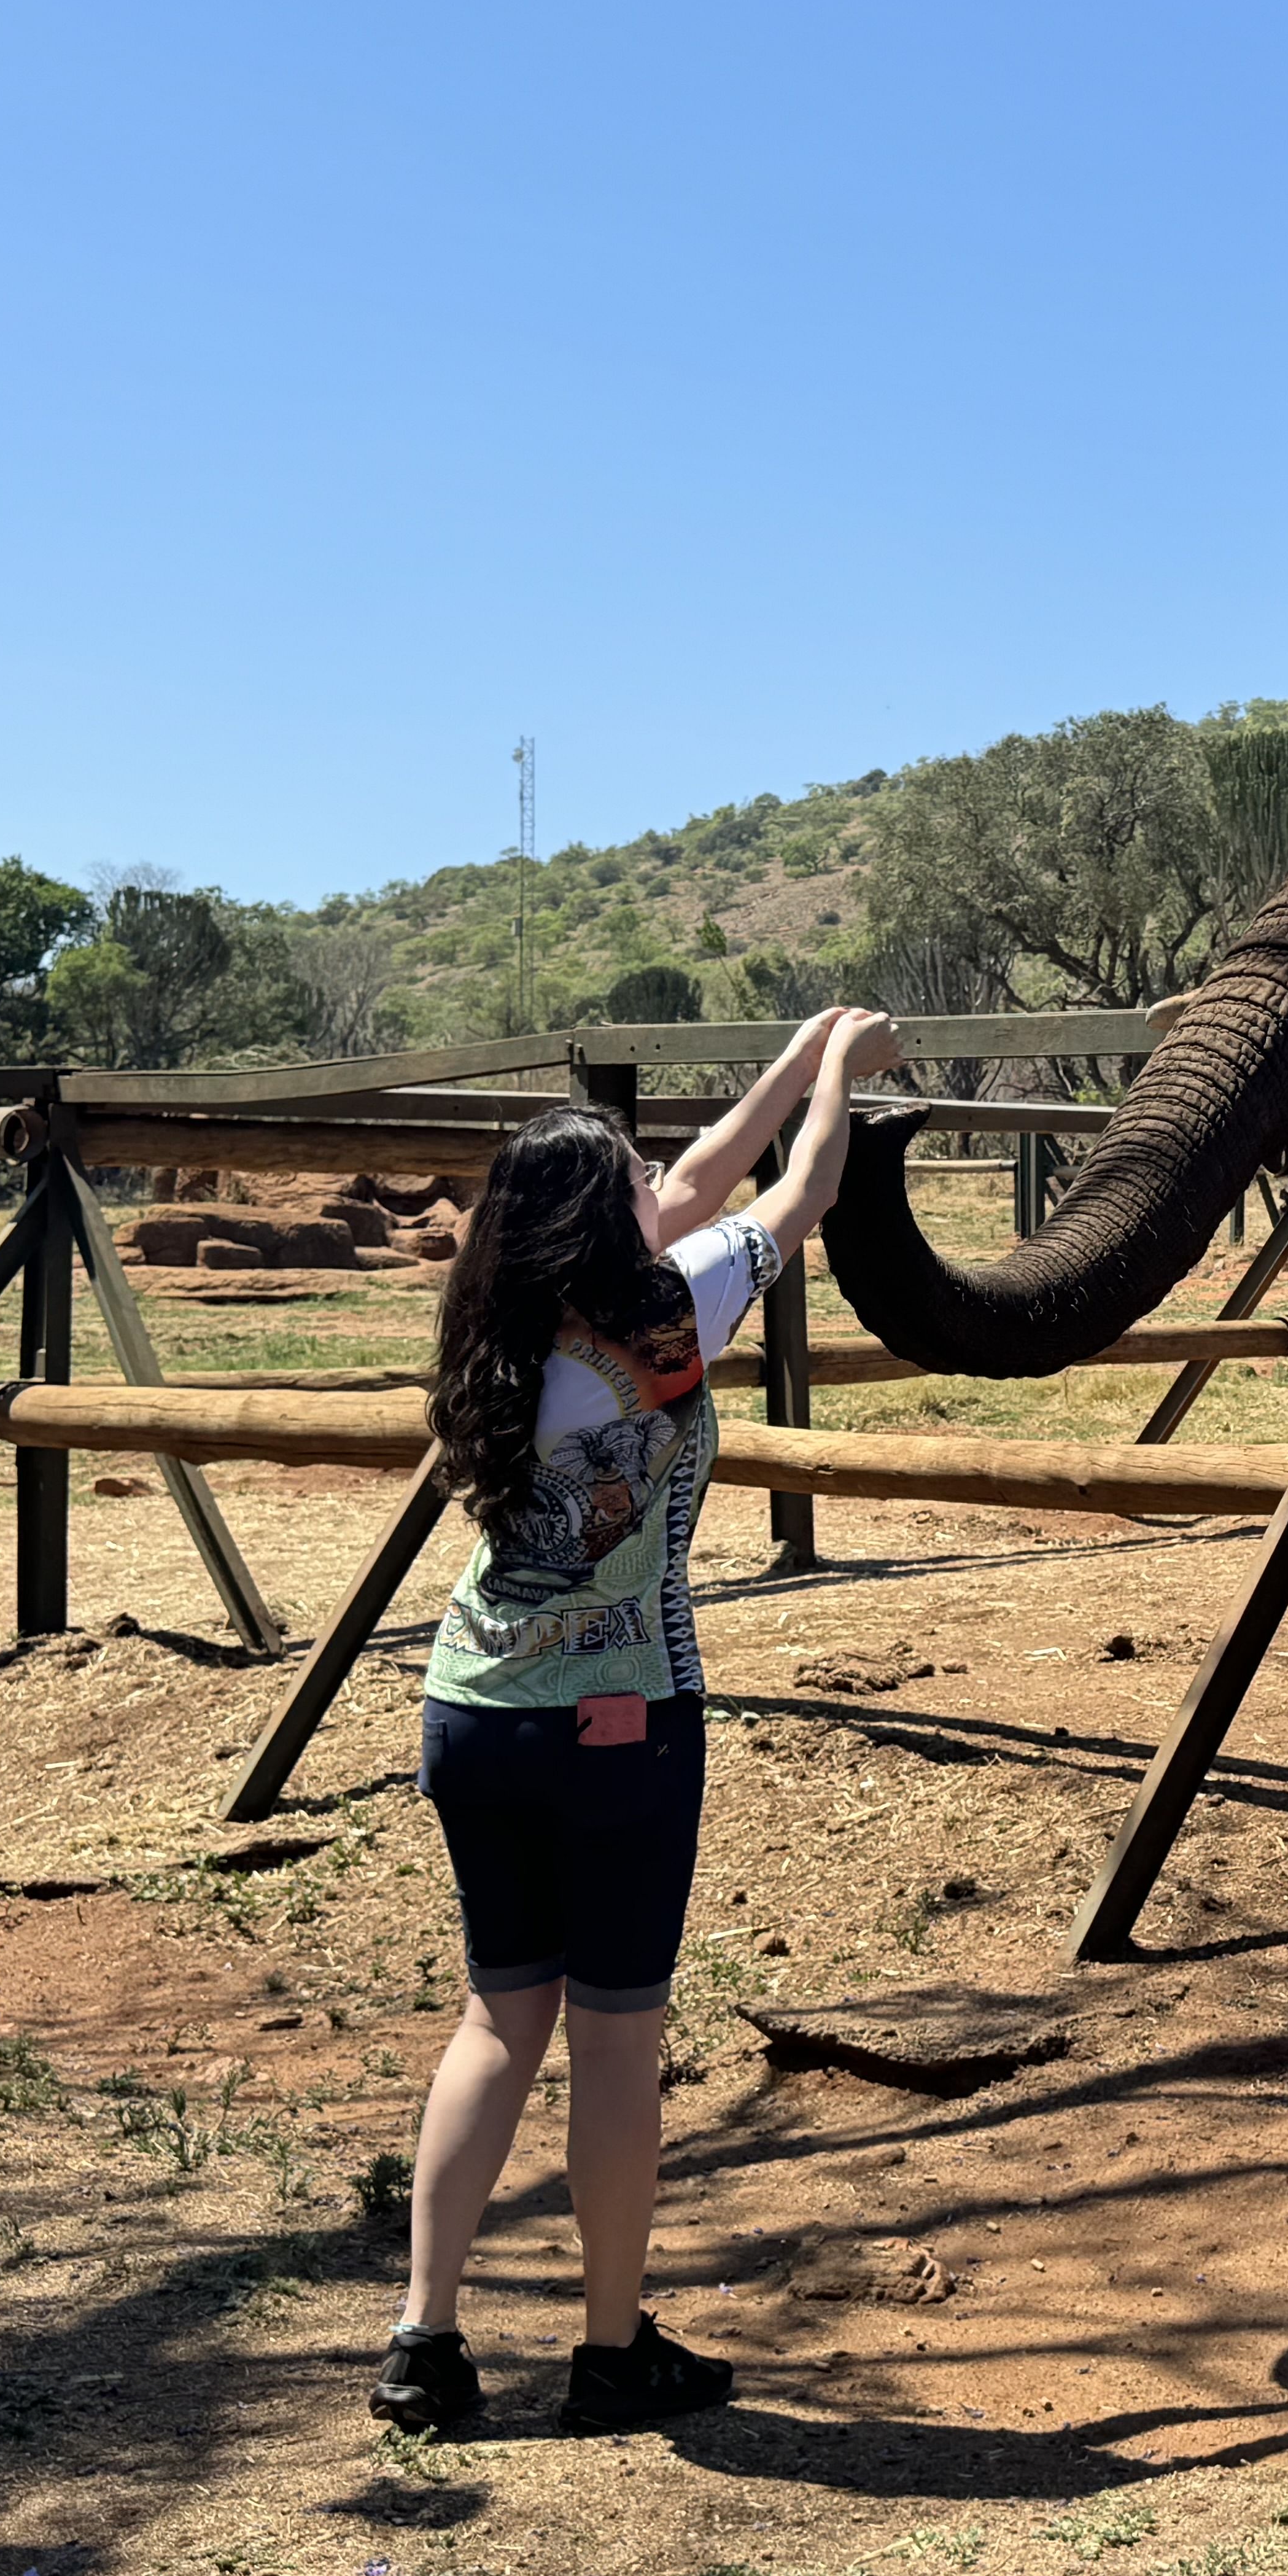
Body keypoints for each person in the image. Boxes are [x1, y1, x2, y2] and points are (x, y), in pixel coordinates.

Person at [373, 1005, 902, 2435]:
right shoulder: (673, 1311)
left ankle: (426, 2342)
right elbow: (799, 1194)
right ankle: (611, 2354)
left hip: (472, 1710)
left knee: (500, 2017)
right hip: (625, 1720)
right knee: (614, 2042)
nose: (658, 1183)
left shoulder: (493, 1329)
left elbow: (696, 1179)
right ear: (609, 1225)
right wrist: (845, 1078)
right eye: (630, 1177)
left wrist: (794, 1057)